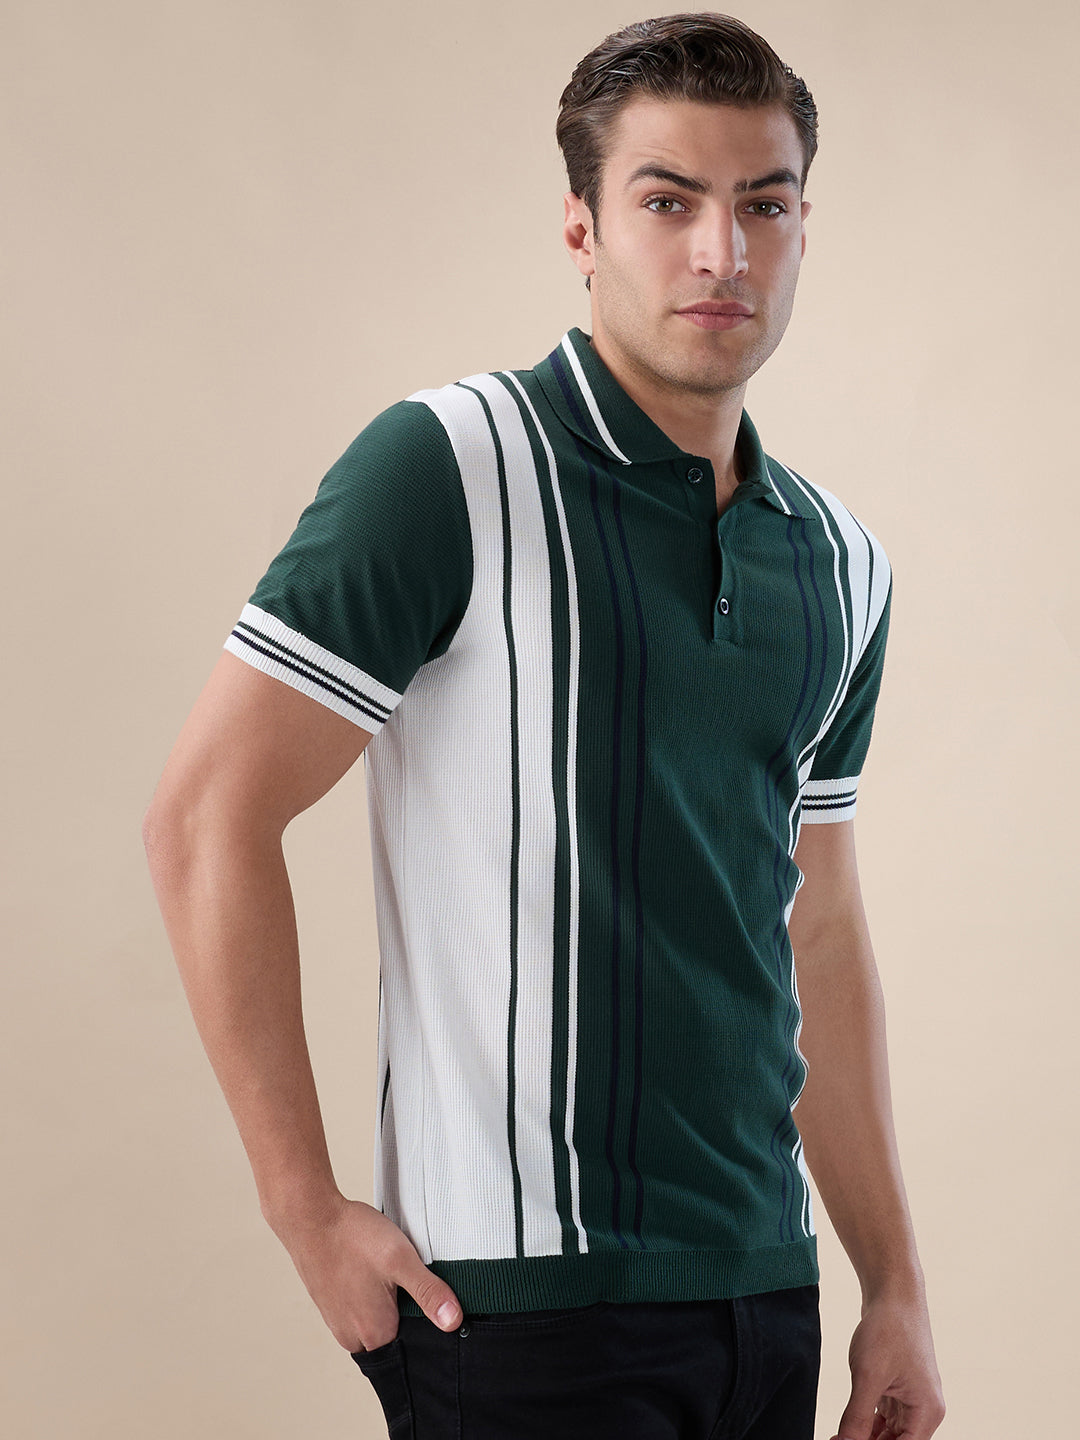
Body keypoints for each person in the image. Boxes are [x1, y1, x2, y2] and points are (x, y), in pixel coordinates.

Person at [143, 12, 946, 1440]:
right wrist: (303, 1210)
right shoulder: (451, 467)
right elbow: (207, 817)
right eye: (668, 202)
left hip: (768, 1297)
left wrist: (894, 1284)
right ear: (581, 227)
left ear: (802, 226)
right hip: (517, 1306)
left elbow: (816, 929)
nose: (723, 253)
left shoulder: (842, 562)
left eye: (763, 205)